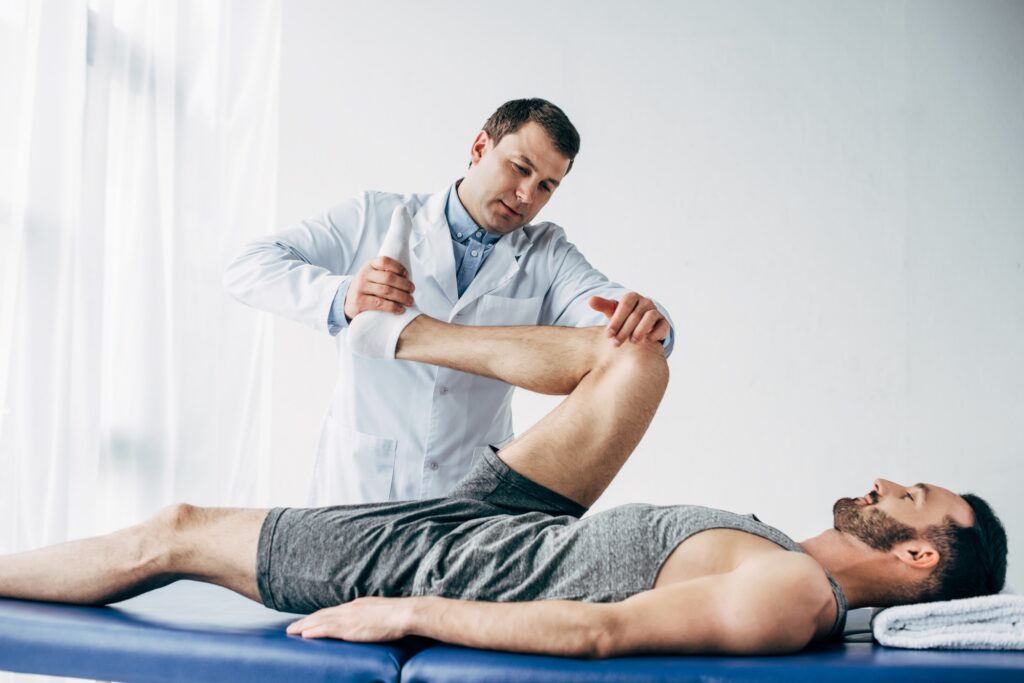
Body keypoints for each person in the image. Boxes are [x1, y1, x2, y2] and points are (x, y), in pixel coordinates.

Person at [0, 309, 1007, 658]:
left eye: (910, 494)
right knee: (638, 355)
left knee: (175, 529)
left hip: (463, 560)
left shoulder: (794, 591)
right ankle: (396, 331)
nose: (887, 482)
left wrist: (406, 607)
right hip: (525, 519)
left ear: (919, 551)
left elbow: (600, 631)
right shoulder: (788, 559)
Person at [223, 98, 675, 505]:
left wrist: (649, 317)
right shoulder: (374, 216)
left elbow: (604, 306)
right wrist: (343, 296)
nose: (526, 195)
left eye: (546, 186)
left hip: (469, 496)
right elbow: (247, 266)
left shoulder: (547, 253)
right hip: (362, 484)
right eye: (520, 168)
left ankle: (411, 335)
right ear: (479, 147)